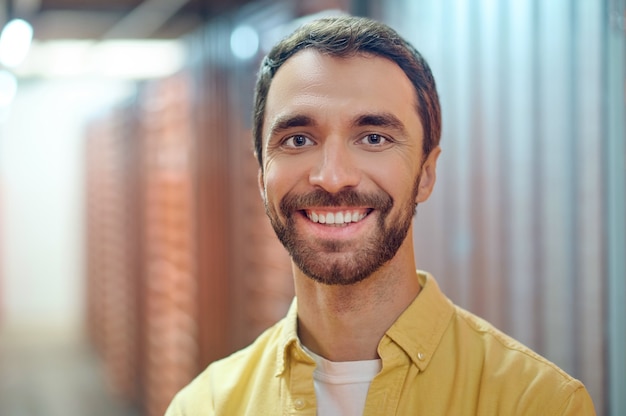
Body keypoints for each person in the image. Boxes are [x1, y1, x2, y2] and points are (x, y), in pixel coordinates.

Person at [166, 15, 596, 415]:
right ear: (261, 177)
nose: (332, 177)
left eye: (373, 137)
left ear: (426, 175)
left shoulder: (537, 402)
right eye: (298, 140)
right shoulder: (204, 406)